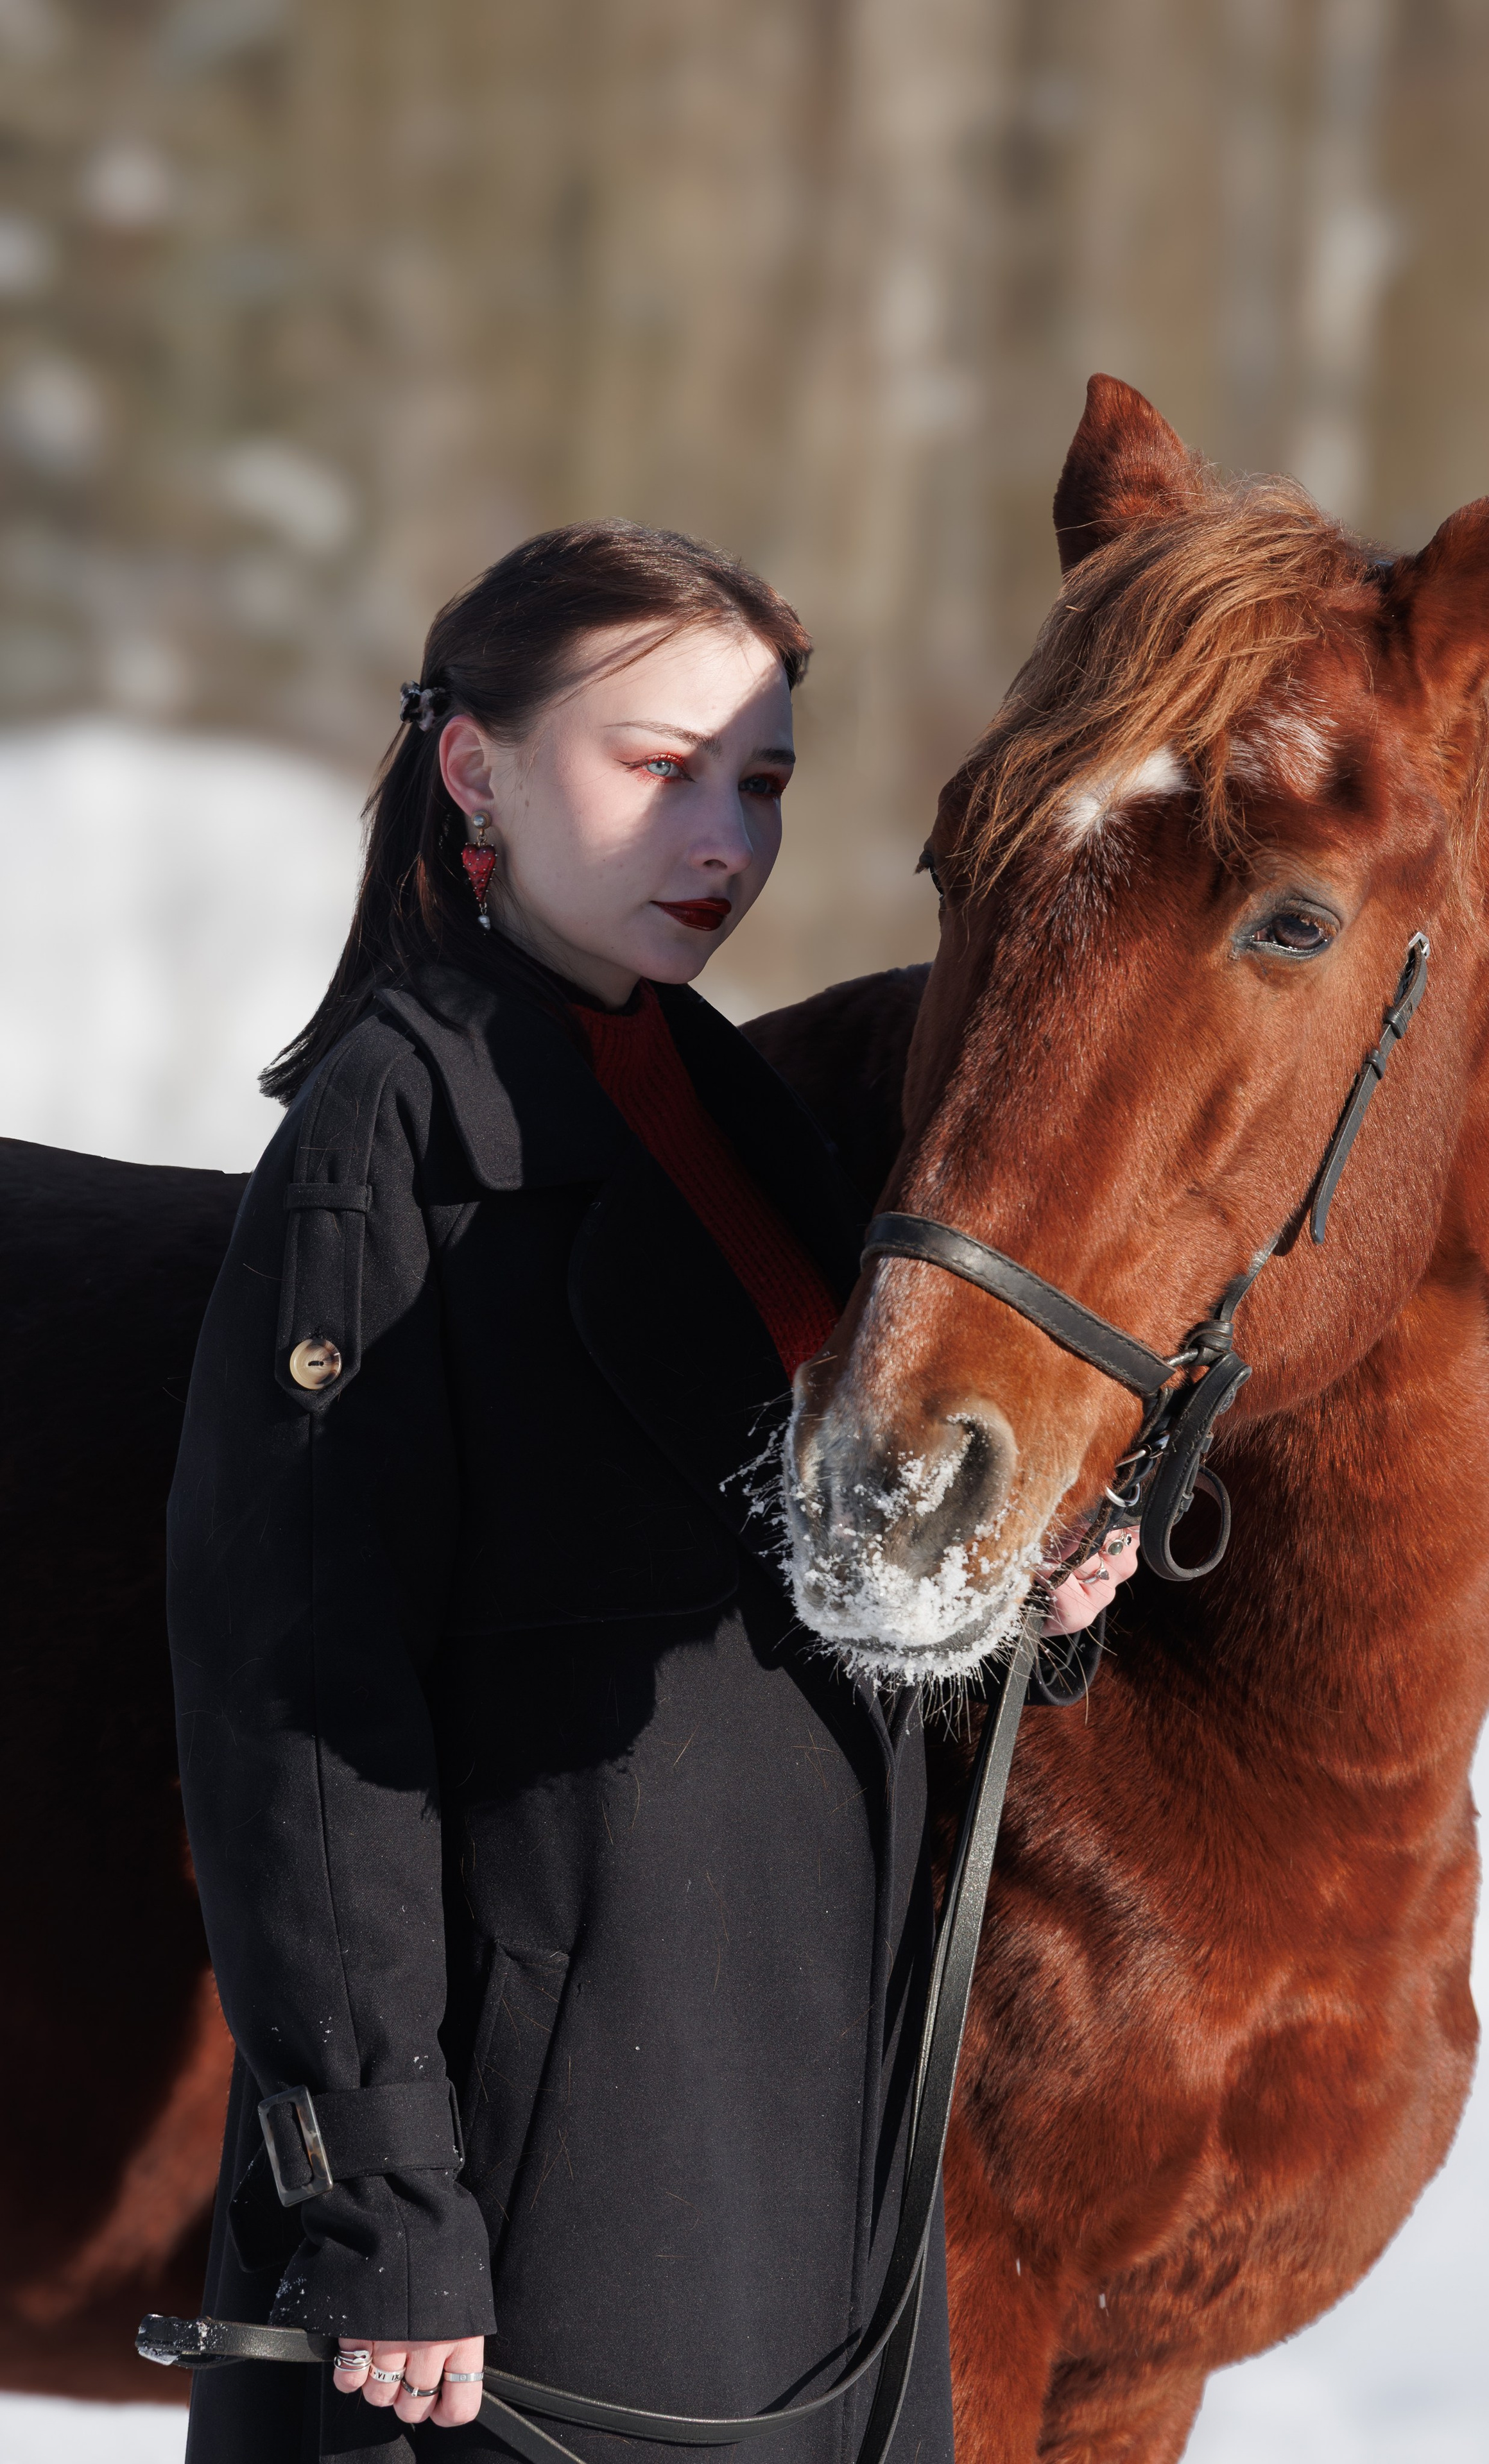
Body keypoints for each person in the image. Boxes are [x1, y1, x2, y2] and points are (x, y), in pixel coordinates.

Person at [168, 522, 957, 2464]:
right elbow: (298, 1704)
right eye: (656, 765)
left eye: (761, 780)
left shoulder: (714, 1091)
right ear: (477, 770)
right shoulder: (390, 1132)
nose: (727, 835)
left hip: (800, 2131)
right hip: (550, 2176)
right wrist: (377, 2196)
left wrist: (1023, 1587)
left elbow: (807, 1564)